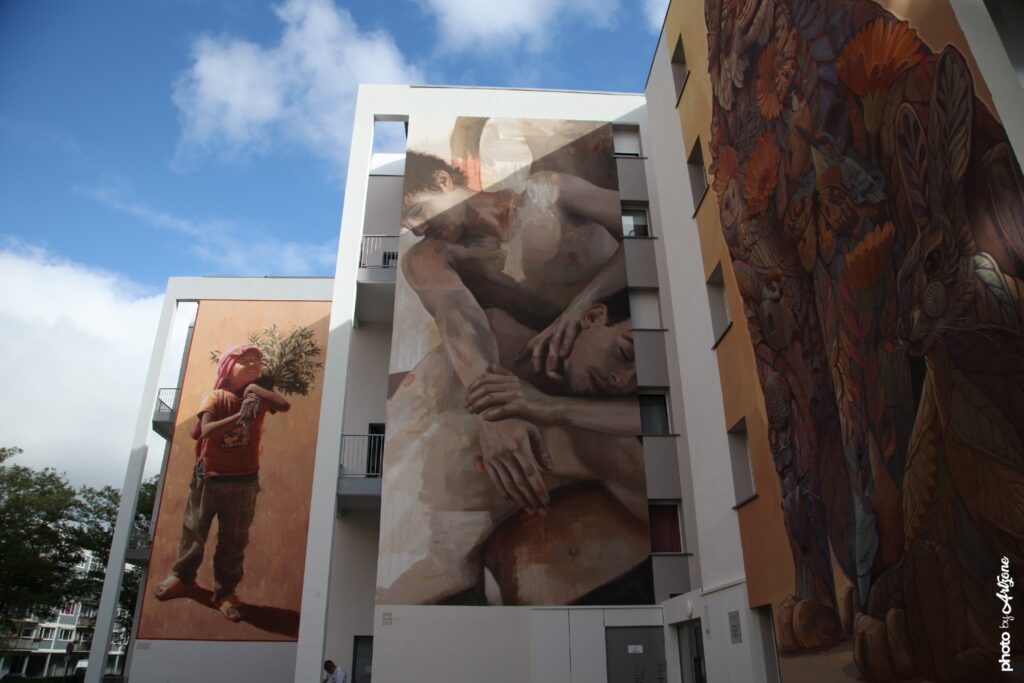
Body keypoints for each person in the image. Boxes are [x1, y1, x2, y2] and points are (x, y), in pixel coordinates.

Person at [377, 291, 647, 605]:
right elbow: (439, 287)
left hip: (430, 596)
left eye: (635, 382)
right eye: (625, 353)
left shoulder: (594, 444)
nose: (620, 379)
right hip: (393, 579)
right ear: (591, 317)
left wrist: (553, 407)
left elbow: (668, 425)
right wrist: (492, 413)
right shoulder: (492, 336)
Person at [400, 150, 629, 512]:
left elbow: (648, 231)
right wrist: (494, 415)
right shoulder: (430, 257)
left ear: (443, 182)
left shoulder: (548, 192)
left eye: (417, 212)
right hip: (566, 377)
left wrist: (584, 302)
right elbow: (459, 321)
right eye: (408, 225)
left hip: (633, 346)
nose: (416, 229)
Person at [152, 344, 290, 623]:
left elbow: (283, 405)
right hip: (209, 477)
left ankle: (225, 593)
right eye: (245, 360)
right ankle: (182, 576)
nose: (253, 365)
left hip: (245, 480)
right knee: (194, 530)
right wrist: (239, 417)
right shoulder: (216, 396)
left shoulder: (257, 398)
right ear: (228, 366)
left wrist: (256, 391)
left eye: (257, 362)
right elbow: (206, 431)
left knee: (234, 540)